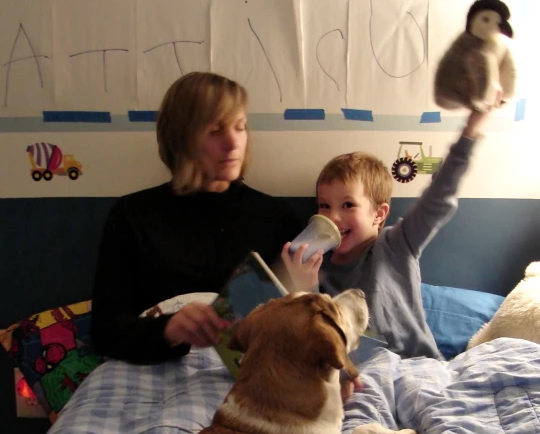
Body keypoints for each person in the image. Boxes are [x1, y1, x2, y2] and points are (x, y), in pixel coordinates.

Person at [91, 72, 301, 364]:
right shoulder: (132, 218)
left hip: (252, 377)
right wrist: (169, 330)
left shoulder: (277, 219)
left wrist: (305, 291)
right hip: (152, 372)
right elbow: (104, 331)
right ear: (180, 140)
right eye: (215, 130)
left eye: (240, 127)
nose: (233, 143)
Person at [281, 106, 496, 360]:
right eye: (324, 206)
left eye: (348, 205)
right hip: (356, 371)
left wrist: (469, 134)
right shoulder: (318, 265)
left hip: (414, 365)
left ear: (379, 215)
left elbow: (436, 200)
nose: (333, 217)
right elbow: (319, 340)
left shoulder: (395, 245)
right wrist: (304, 290)